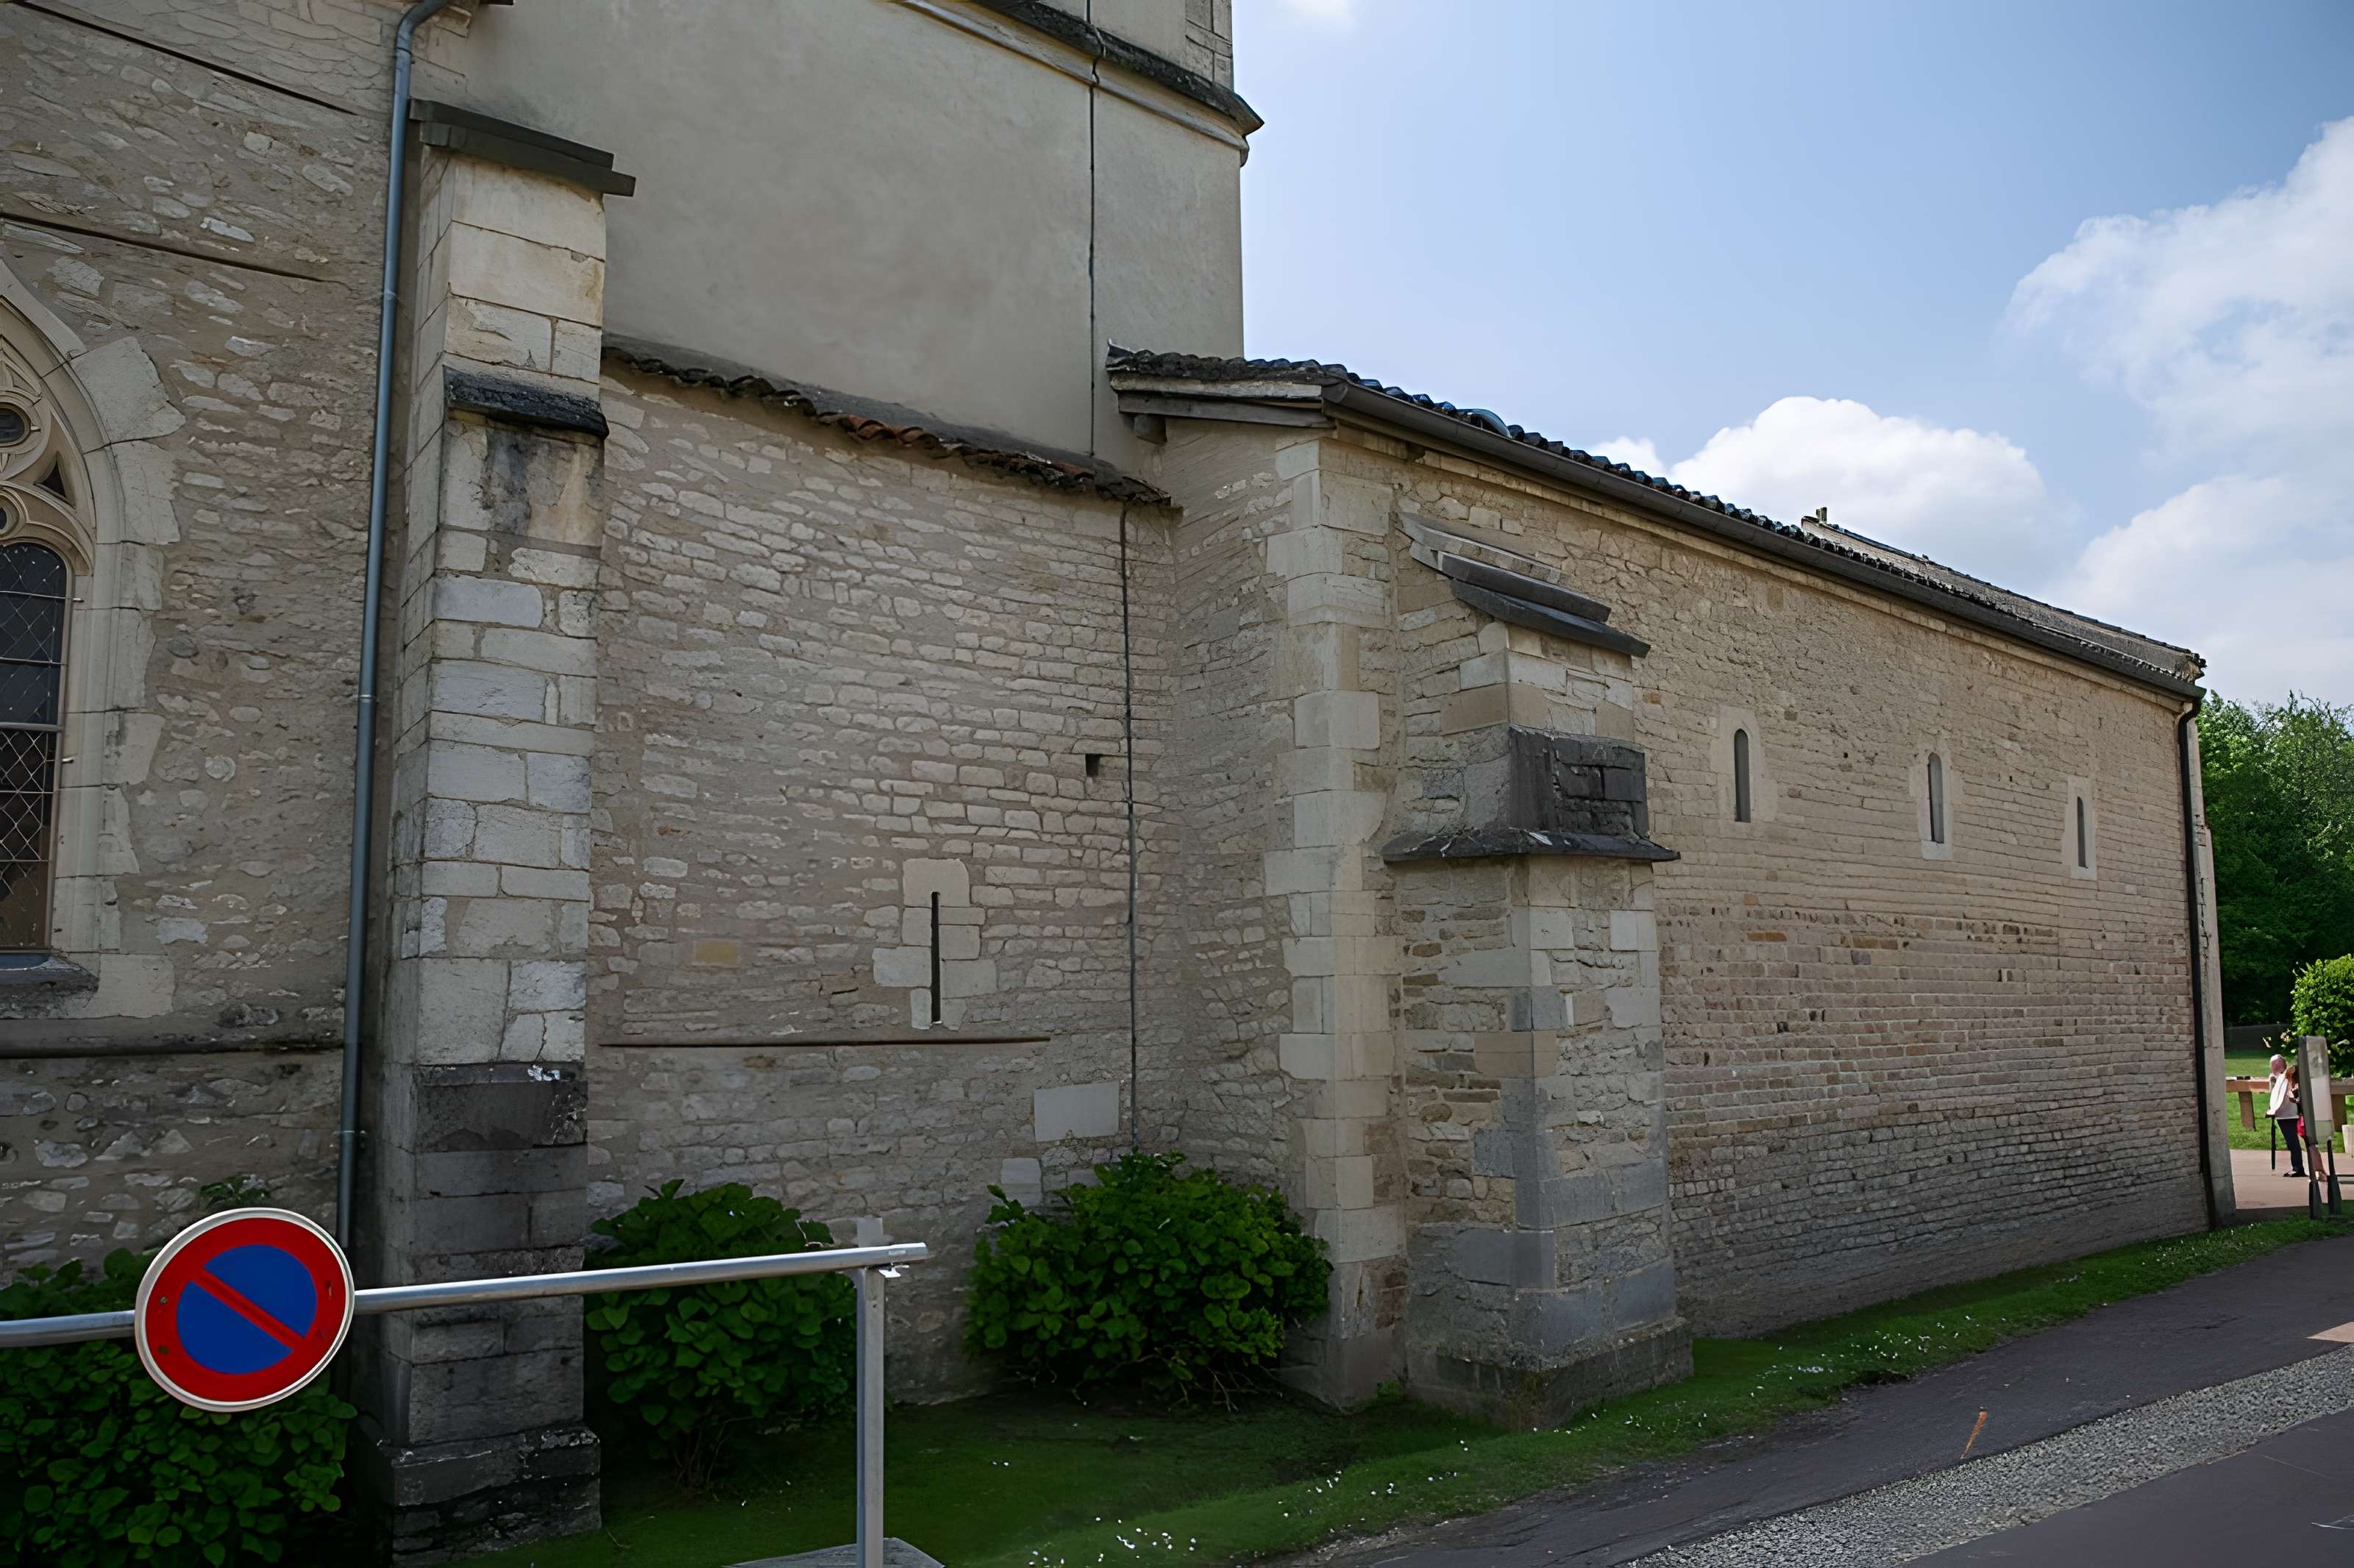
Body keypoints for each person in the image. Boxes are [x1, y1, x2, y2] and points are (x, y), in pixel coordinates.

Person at [2270, 1054, 2306, 1177]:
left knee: (2293, 1143)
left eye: (2274, 1064)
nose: (2272, 1066)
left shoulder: (2286, 1077)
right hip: (2285, 1115)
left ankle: (2298, 1168)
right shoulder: (2280, 1078)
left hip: (2288, 1115)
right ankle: (2297, 1167)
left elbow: (2289, 1094)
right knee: (2292, 1143)